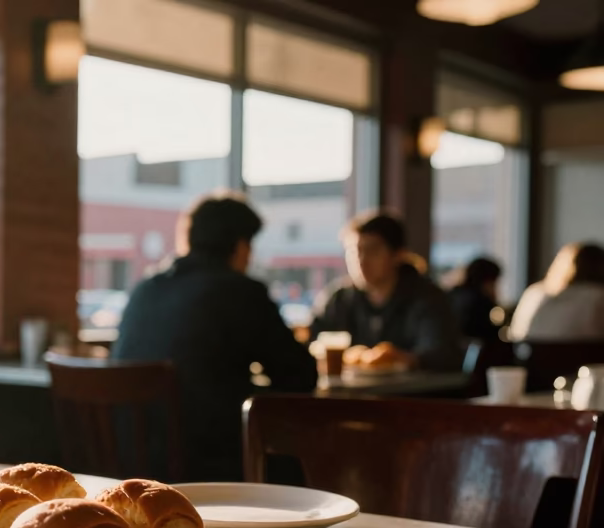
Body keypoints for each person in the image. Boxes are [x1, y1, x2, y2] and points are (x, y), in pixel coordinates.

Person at [113, 193, 318, 482]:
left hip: (132, 466)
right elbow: (301, 376)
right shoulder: (240, 291)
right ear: (240, 245)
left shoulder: (145, 288)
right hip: (212, 469)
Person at [310, 211, 463, 371]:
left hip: (410, 393)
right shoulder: (340, 298)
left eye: (372, 250)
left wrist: (400, 359)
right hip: (348, 394)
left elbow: (441, 354)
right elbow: (314, 341)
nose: (361, 260)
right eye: (354, 251)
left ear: (398, 254)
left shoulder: (427, 298)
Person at [509, 242, 604, 341]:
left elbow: (516, 335)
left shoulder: (534, 293)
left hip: (535, 354)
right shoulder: (599, 297)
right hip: (581, 355)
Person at [447, 257, 503, 343]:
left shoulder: (453, 294)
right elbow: (491, 335)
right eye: (494, 283)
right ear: (487, 281)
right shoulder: (481, 303)